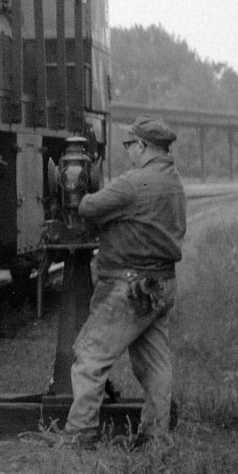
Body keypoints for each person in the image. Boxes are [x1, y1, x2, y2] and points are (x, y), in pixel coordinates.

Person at [61, 116, 187, 447]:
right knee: (153, 362)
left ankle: (78, 435)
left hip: (128, 287)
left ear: (144, 146)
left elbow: (87, 206)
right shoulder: (173, 180)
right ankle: (155, 436)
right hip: (161, 284)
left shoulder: (133, 183)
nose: (128, 151)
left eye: (129, 145)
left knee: (89, 355)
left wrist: (78, 187)